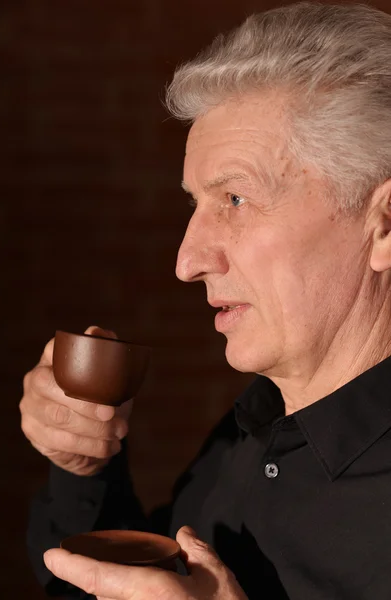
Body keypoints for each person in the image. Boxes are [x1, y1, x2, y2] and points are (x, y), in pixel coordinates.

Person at [20, 2, 391, 598]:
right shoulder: (253, 429)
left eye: (236, 200)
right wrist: (82, 468)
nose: (186, 262)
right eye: (195, 204)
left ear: (385, 225)